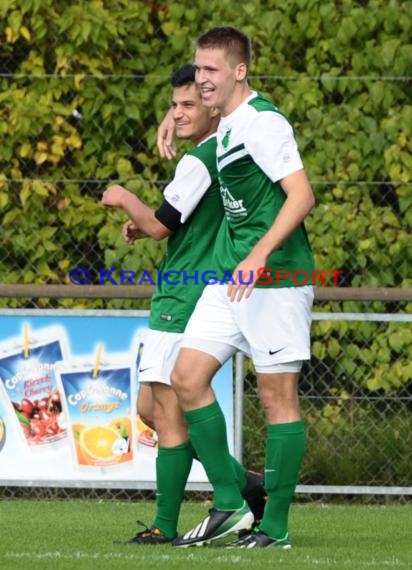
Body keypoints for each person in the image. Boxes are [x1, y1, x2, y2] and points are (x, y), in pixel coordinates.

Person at [158, 28, 316, 549]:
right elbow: (196, 113)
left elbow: (301, 195)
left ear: (239, 71)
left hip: (275, 280)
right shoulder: (226, 123)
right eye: (197, 69)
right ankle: (229, 500)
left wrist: (259, 253)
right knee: (186, 376)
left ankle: (275, 527)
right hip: (229, 280)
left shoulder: (264, 123)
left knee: (277, 400)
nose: (201, 79)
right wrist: (172, 116)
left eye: (211, 71)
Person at [102, 64, 266, 545]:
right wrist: (148, 217)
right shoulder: (224, 153)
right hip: (188, 290)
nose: (177, 114)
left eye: (189, 104)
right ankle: (247, 484)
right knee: (151, 408)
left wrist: (126, 200)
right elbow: (179, 219)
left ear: (214, 106)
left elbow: (160, 226)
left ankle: (167, 525)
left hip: (184, 297)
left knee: (167, 412)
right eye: (173, 106)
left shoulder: (199, 161)